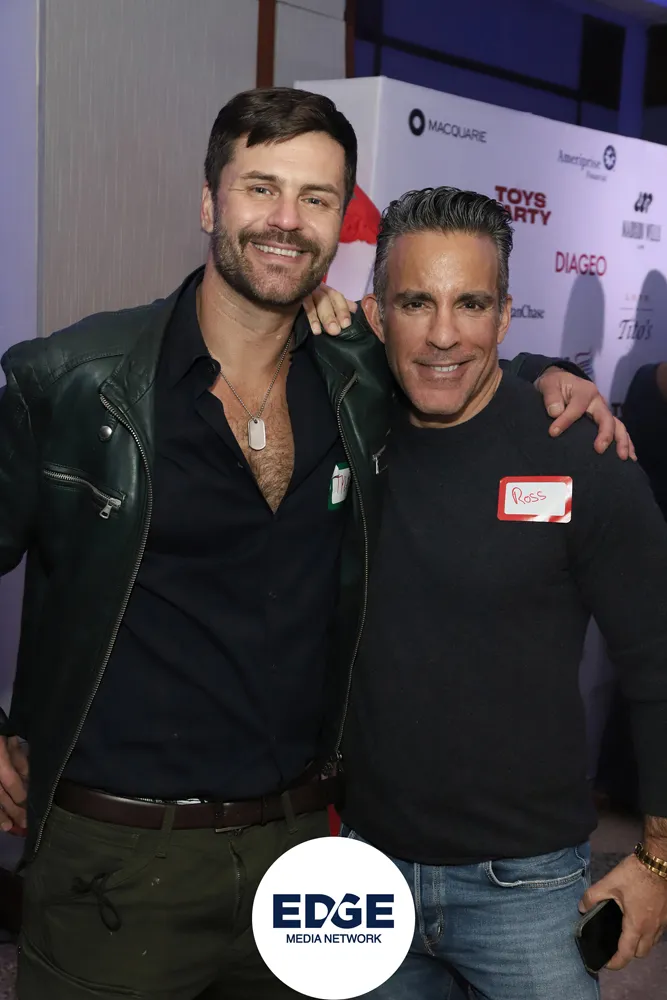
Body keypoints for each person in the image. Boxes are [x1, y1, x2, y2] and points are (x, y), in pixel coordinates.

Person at [0, 89, 630, 999]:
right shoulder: (71, 383)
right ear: (209, 201)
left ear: (341, 226)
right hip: (117, 857)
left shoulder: (355, 381)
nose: (286, 221)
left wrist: (551, 375)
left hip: (302, 859)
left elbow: (450, 354)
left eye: (317, 198)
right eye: (261, 188)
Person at [338, 187, 667, 1000]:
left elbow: (657, 658)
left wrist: (659, 857)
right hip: (364, 872)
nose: (443, 333)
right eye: (416, 302)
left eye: (471, 303)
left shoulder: (579, 455)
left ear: (505, 316)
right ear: (376, 315)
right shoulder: (342, 429)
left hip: (527, 887)